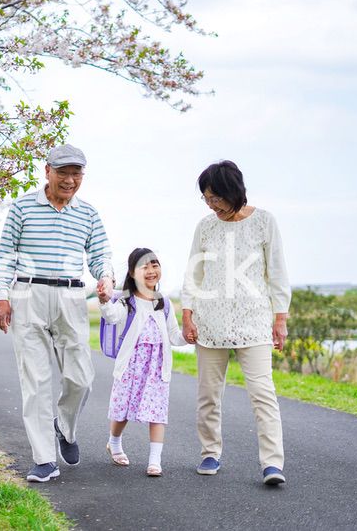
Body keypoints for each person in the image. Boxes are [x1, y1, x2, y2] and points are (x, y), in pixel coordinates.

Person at [0, 144, 114, 482]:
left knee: (81, 379)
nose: (70, 180)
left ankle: (65, 426)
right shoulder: (22, 208)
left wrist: (105, 278)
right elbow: (5, 256)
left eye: (77, 174)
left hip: (72, 297)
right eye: (64, 173)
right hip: (28, 294)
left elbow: (101, 254)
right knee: (35, 381)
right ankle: (44, 459)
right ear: (47, 171)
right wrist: (1, 296)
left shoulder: (88, 214)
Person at [181, 160, 291, 486]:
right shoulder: (205, 227)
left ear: (234, 192)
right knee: (208, 395)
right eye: (206, 198)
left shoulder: (264, 223)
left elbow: (278, 273)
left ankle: (272, 464)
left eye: (216, 197)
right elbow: (194, 273)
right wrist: (187, 314)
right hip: (209, 321)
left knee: (262, 393)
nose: (211, 204)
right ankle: (209, 452)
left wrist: (280, 318)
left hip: (254, 321)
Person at [97, 248, 187, 476]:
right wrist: (105, 301)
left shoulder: (164, 303)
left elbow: (175, 336)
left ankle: (155, 460)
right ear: (132, 272)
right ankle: (114, 442)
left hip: (156, 367)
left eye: (154, 265)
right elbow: (112, 316)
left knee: (157, 412)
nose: (151, 270)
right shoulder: (126, 300)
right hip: (131, 366)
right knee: (122, 411)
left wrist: (190, 333)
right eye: (144, 266)